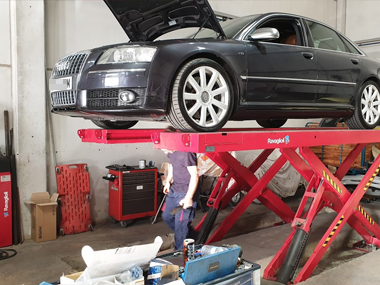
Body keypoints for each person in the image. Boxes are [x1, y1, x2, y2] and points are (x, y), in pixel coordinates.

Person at [161, 150, 199, 250]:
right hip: (174, 190)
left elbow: (194, 175)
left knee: (180, 226)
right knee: (167, 216)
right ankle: (190, 235)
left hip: (185, 193)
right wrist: (168, 181)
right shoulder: (171, 151)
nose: (163, 150)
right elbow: (172, 166)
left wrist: (189, 197)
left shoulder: (187, 153)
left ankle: (179, 254)